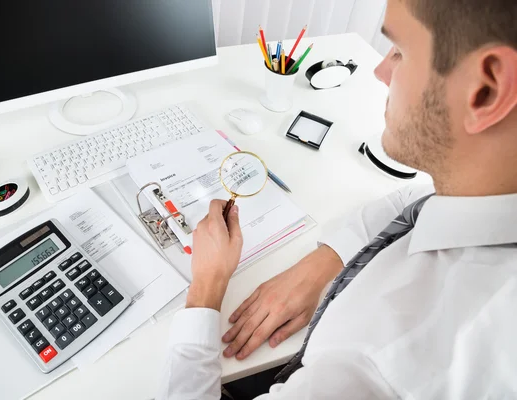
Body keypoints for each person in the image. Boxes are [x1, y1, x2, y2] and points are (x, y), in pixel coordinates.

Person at [157, 0, 517, 397]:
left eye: (400, 51)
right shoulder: (488, 192)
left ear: (486, 90)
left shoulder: (379, 364)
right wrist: (320, 264)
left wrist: (206, 286)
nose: (380, 72)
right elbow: (413, 201)